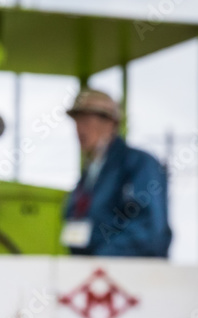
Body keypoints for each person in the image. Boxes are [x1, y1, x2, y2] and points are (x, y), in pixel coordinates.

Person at [61, 89, 171, 257]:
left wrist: (101, 260)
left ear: (110, 123)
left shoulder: (138, 164)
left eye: (86, 121)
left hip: (131, 275)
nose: (79, 128)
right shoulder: (91, 173)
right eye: (77, 121)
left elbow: (148, 230)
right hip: (95, 272)